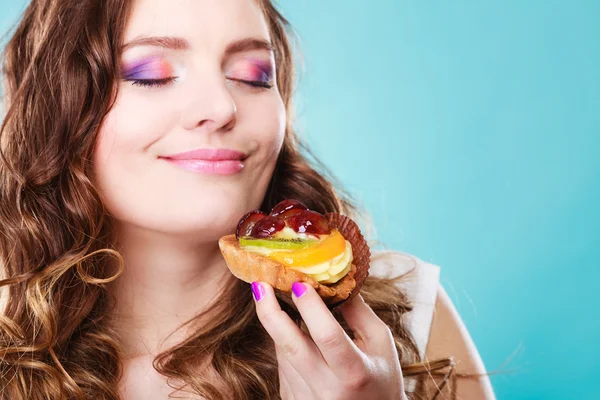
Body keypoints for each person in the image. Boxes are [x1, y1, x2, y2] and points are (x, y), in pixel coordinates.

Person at [0, 0, 495, 399]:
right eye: (151, 72)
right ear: (55, 106)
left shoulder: (407, 316)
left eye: (253, 74)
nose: (220, 107)